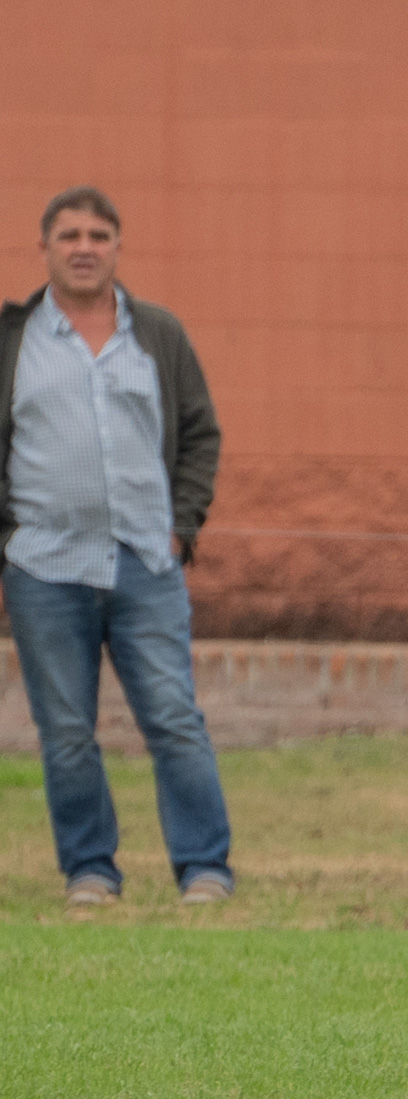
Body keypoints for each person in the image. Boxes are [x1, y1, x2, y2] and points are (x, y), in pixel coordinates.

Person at [0, 186, 231, 908]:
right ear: (44, 248)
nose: (84, 246)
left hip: (145, 563)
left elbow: (200, 434)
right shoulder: (16, 339)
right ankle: (90, 870)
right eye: (68, 234)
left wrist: (183, 523)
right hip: (43, 566)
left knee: (173, 718)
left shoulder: (157, 333)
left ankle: (204, 870)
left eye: (98, 234)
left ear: (116, 247)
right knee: (66, 730)